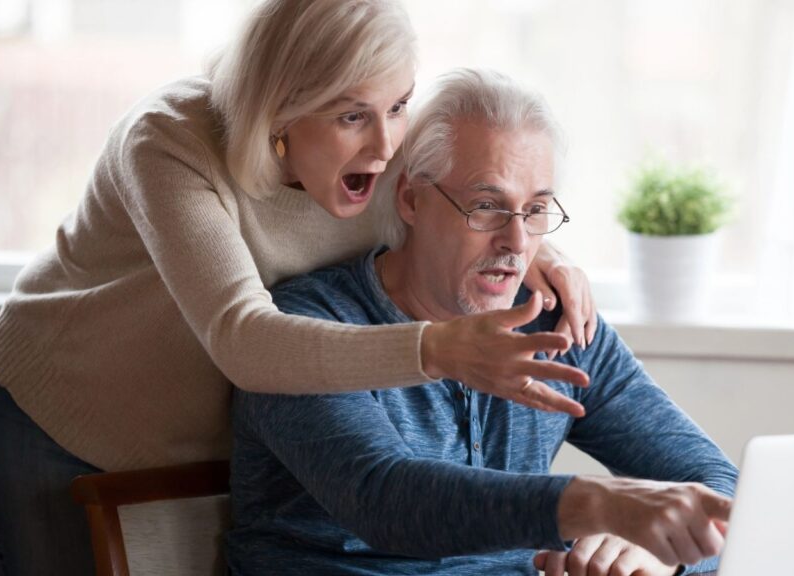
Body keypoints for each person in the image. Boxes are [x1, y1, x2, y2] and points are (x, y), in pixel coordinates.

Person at [0, 3, 597, 575]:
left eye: (399, 105)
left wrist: (541, 249)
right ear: (281, 109)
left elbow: (458, 193)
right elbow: (244, 338)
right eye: (351, 114)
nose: (387, 146)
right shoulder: (168, 141)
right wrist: (434, 349)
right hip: (62, 419)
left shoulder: (377, 147)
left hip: (212, 434)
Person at [228, 68, 737, 576]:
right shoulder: (304, 329)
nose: (516, 244)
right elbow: (386, 500)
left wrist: (662, 554)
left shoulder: (562, 325)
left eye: (535, 210)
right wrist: (597, 503)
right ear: (410, 198)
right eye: (487, 206)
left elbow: (723, 489)